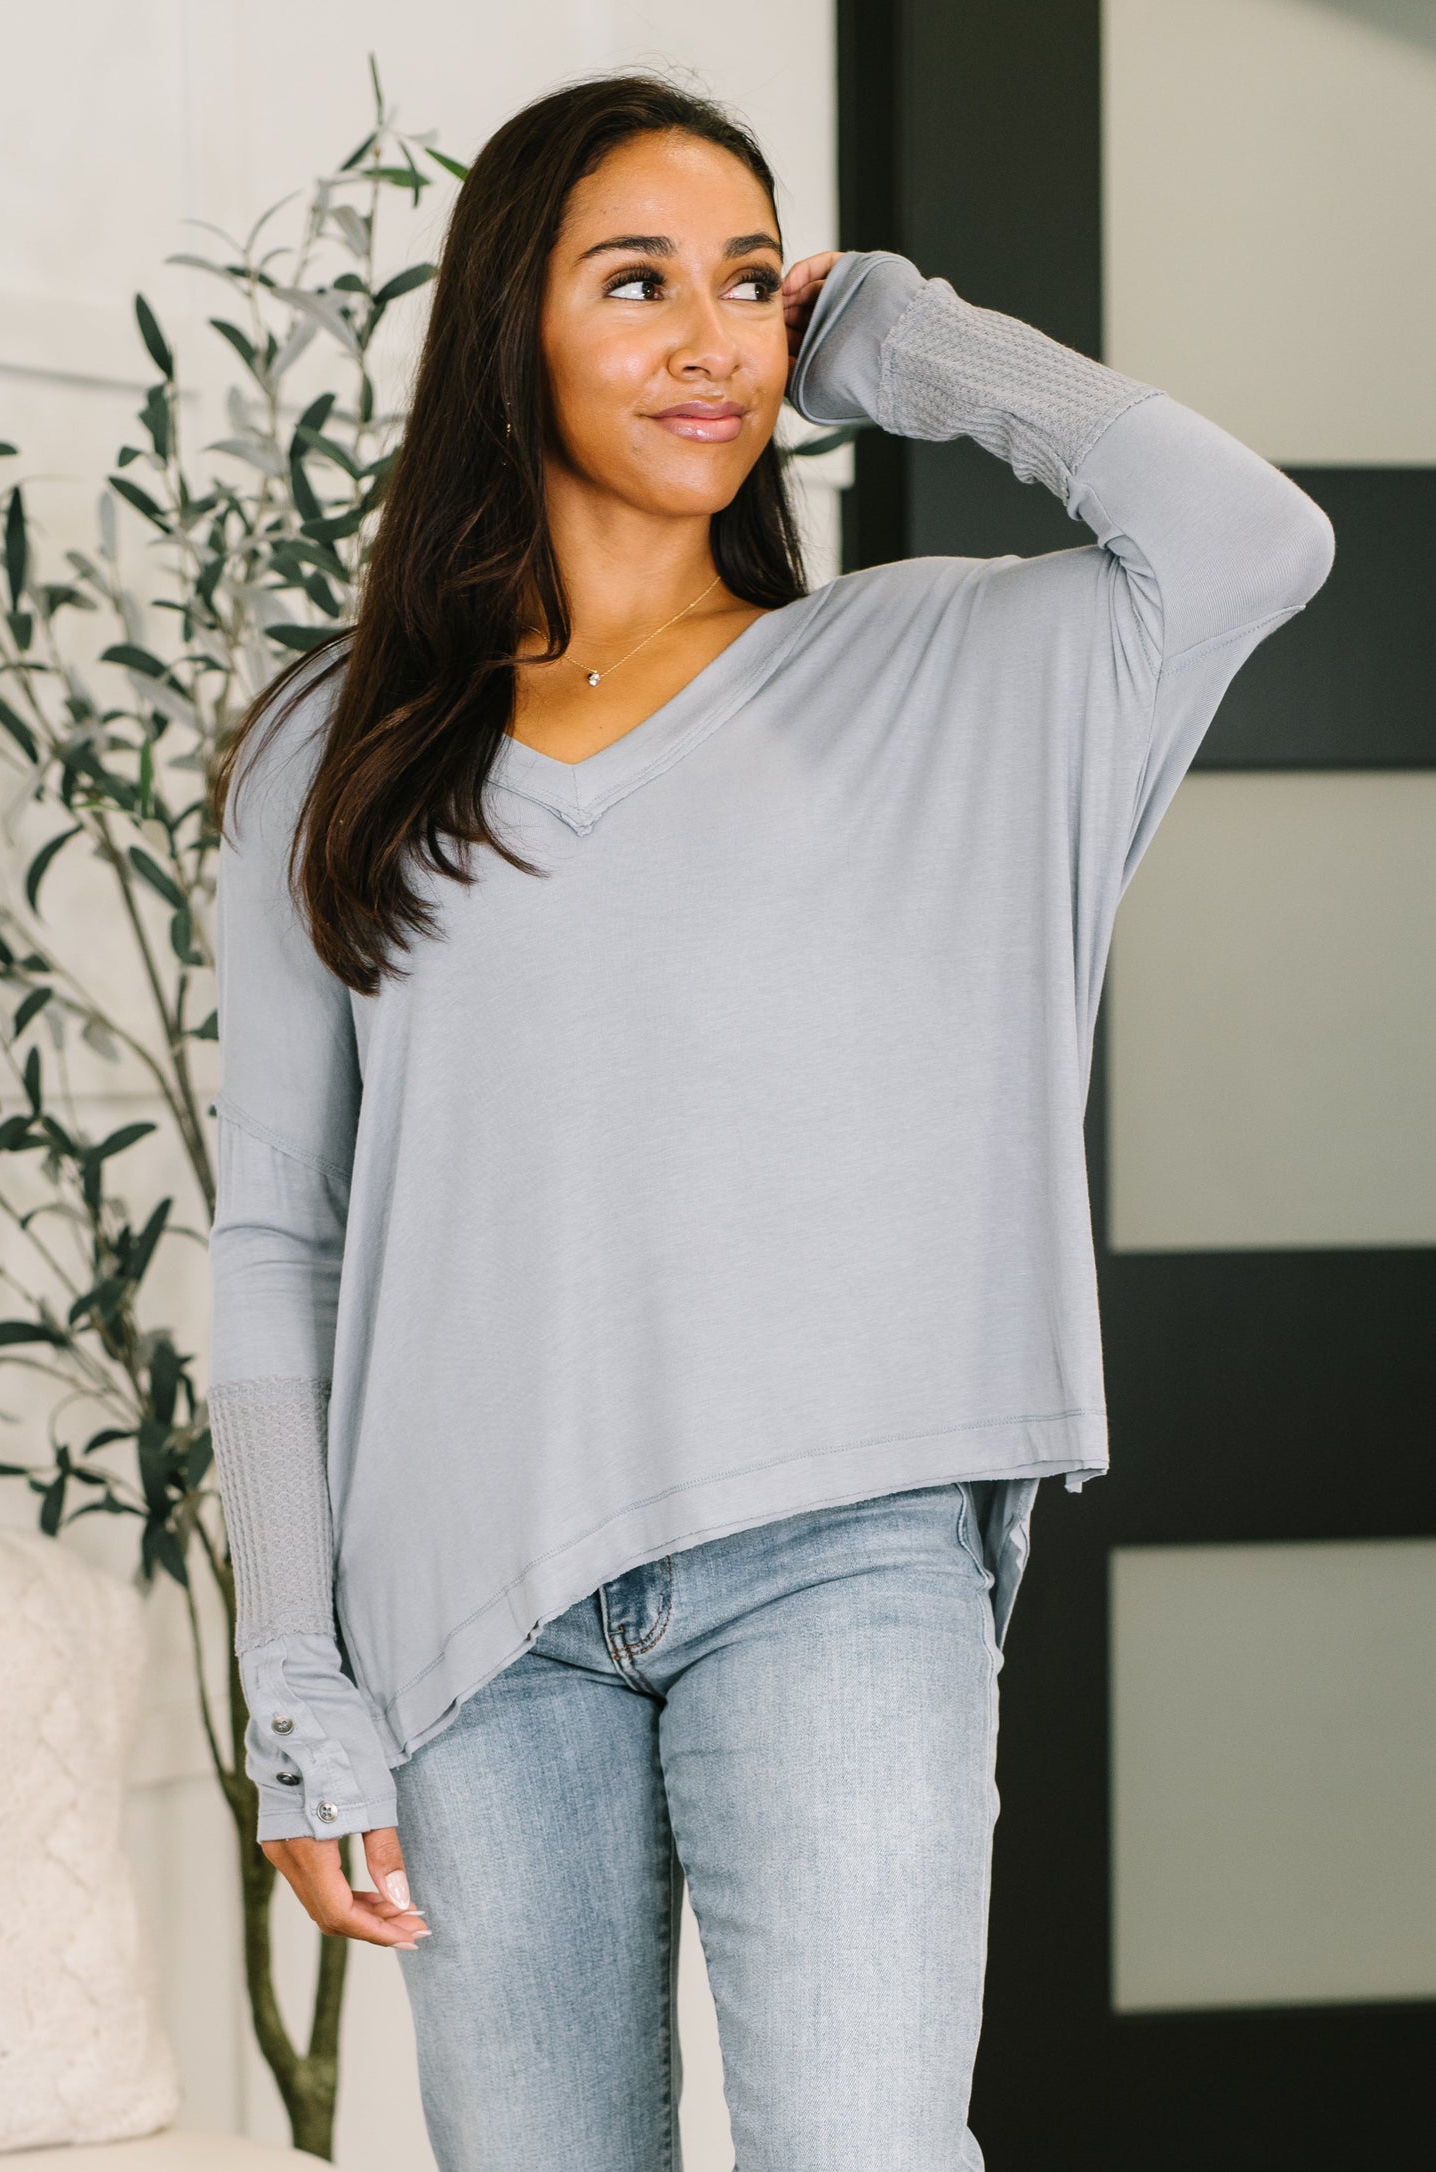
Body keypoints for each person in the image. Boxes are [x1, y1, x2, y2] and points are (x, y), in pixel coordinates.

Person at [206, 70, 1334, 2172]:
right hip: (473, 1618)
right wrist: (299, 1690)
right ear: (508, 329)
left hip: (842, 1563)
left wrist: (896, 336)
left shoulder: (938, 674)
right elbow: (282, 1237)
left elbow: (1255, 538)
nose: (710, 338)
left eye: (745, 283)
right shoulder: (330, 749)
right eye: (636, 283)